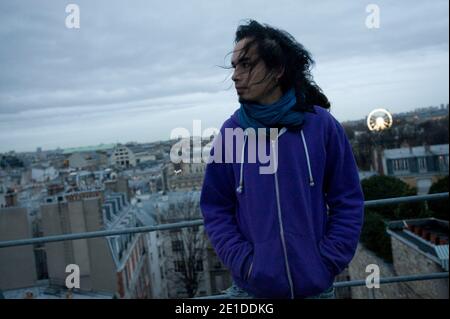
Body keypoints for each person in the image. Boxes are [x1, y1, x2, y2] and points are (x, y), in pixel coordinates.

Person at [200, 20, 364, 299]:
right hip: (252, 292)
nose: (235, 76)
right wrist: (246, 264)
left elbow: (347, 199)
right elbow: (216, 208)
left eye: (247, 65)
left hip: (316, 289)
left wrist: (326, 261)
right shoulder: (231, 133)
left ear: (277, 70)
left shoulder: (321, 126)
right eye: (235, 66)